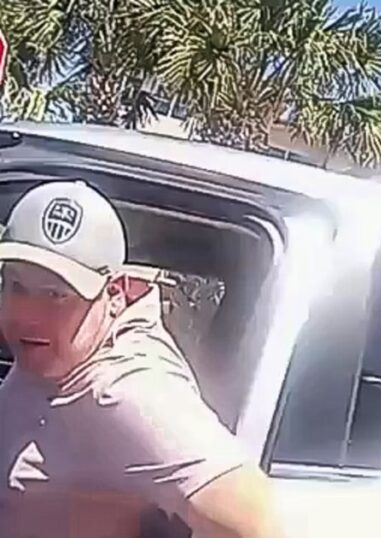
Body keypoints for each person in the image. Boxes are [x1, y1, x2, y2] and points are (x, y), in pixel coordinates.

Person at [0, 180, 281, 537]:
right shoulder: (59, 352)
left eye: (56, 295)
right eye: (17, 286)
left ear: (115, 293)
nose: (26, 315)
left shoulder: (127, 389)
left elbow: (260, 525)